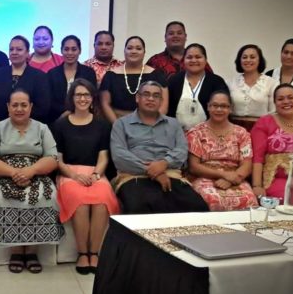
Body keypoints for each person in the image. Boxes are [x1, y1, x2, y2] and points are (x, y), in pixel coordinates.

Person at [0, 89, 63, 274]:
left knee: (47, 194)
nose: (19, 109)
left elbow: (52, 158)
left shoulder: (42, 128)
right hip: (3, 174)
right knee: (2, 196)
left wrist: (30, 171)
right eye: (15, 105)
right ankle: (16, 251)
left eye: (24, 105)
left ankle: (32, 251)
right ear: (8, 107)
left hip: (37, 173)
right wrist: (13, 172)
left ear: (31, 107)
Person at [51, 79, 118, 275]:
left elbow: (104, 156)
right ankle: (82, 253)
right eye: (78, 95)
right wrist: (75, 175)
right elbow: (58, 160)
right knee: (79, 200)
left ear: (92, 98)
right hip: (69, 173)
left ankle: (94, 253)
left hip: (96, 172)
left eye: (86, 95)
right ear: (72, 98)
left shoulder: (102, 125)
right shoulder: (60, 125)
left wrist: (97, 174)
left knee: (102, 198)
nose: (82, 98)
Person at [110, 81, 209, 214]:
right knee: (138, 208)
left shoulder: (173, 124)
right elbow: (120, 156)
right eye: (146, 94)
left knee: (198, 207)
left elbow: (181, 150)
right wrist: (152, 171)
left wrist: (164, 163)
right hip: (134, 176)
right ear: (137, 98)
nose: (151, 98)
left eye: (156, 96)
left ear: (161, 101)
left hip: (170, 174)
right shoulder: (121, 124)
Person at [186, 91, 256, 211]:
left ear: (230, 109)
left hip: (236, 178)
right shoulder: (196, 132)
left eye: (224, 106)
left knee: (249, 199)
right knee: (211, 199)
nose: (219, 109)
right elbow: (194, 166)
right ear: (208, 107)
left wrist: (231, 179)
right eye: (215, 105)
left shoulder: (242, 133)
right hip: (205, 177)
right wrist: (224, 175)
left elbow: (247, 164)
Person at [100, 36, 166, 123]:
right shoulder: (110, 75)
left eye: (138, 48)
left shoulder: (157, 74)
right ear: (124, 51)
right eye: (129, 48)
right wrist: (118, 126)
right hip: (118, 125)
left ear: (144, 52)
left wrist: (152, 125)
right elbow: (105, 104)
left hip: (151, 126)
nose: (134, 51)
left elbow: (164, 103)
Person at [0, 36, 51, 124]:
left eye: (19, 49)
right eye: (11, 49)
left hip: (28, 129)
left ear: (27, 53)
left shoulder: (39, 77)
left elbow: (43, 108)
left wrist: (18, 122)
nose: (14, 52)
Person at [166, 43, 229, 130]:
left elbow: (224, 109)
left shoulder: (217, 82)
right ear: (184, 60)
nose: (194, 60)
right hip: (177, 134)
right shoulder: (174, 81)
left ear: (206, 60)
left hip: (208, 134)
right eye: (189, 57)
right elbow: (167, 110)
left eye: (198, 57)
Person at [227, 44, 277, 131]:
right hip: (234, 129)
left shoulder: (271, 83)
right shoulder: (230, 83)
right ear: (239, 60)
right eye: (244, 57)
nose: (248, 60)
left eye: (252, 57)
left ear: (259, 60)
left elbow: (274, 112)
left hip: (262, 128)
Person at [47, 35, 97, 121]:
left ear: (80, 51)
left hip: (83, 118)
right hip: (56, 119)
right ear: (61, 51)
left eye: (74, 49)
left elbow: (92, 97)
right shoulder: (52, 74)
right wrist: (64, 115)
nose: (70, 53)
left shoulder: (89, 73)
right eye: (66, 49)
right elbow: (49, 101)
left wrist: (71, 112)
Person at [146, 21, 213, 80]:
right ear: (165, 37)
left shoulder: (197, 60)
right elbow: (144, 86)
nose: (175, 36)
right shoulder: (155, 61)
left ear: (185, 37)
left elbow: (212, 81)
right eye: (171, 33)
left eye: (179, 33)